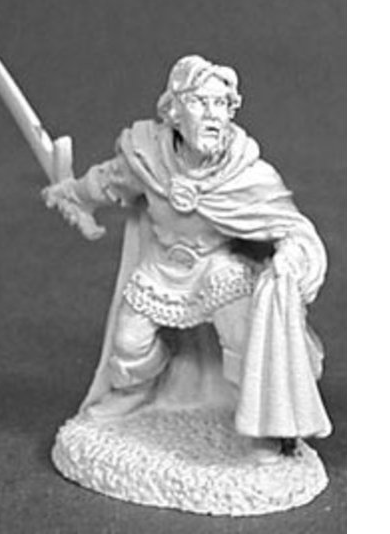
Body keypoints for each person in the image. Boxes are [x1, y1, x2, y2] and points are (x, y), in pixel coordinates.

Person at [43, 55, 331, 457]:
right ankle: (135, 393)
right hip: (161, 267)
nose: (212, 115)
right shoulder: (148, 158)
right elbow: (107, 181)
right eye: (199, 102)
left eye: (221, 104)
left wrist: (293, 259)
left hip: (217, 268)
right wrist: (73, 194)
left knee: (245, 337)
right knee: (129, 342)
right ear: (174, 112)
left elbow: (294, 228)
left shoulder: (246, 173)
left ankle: (262, 424)